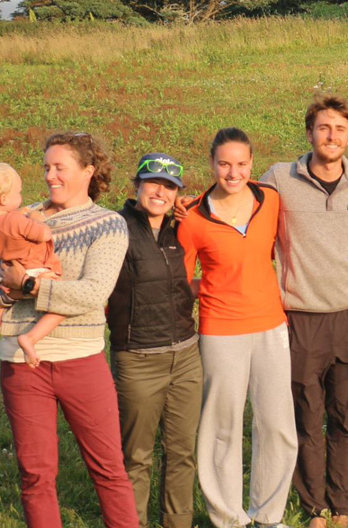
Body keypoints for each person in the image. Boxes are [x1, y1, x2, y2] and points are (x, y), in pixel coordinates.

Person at [0, 132, 139, 528]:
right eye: (46, 167)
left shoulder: (108, 224)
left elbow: (93, 293)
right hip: (20, 364)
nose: (49, 175)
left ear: (88, 170)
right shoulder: (20, 217)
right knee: (35, 475)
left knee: (109, 469)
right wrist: (7, 292)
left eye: (59, 167)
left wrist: (28, 286)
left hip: (81, 361)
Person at [260, 96, 348, 528]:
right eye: (324, 128)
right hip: (300, 317)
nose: (332, 136)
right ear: (309, 134)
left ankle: (342, 508)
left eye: (340, 129)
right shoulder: (278, 179)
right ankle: (316, 510)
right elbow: (239, 206)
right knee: (307, 416)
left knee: (344, 416)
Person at [179, 128, 298, 528]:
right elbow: (179, 280)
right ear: (211, 164)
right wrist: (207, 288)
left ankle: (268, 516)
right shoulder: (192, 215)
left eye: (241, 164)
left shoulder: (271, 199)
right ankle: (228, 518)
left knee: (277, 424)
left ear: (252, 163)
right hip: (220, 330)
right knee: (221, 425)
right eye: (225, 164)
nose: (233, 172)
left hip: (271, 326)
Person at [108, 153, 202, 528]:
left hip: (186, 356)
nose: (160, 192)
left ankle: (177, 521)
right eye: (153, 183)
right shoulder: (115, 228)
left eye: (169, 186)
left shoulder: (181, 230)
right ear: (137, 186)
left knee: (182, 452)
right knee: (136, 455)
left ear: (177, 193)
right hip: (138, 357)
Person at [0, 162, 64, 365]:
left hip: (8, 269)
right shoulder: (14, 222)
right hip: (34, 267)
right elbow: (43, 234)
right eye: (18, 192)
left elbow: (3, 223)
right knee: (61, 302)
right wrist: (36, 218)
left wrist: (18, 213)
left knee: (0, 304)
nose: (21, 198)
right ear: (3, 199)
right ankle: (30, 338)